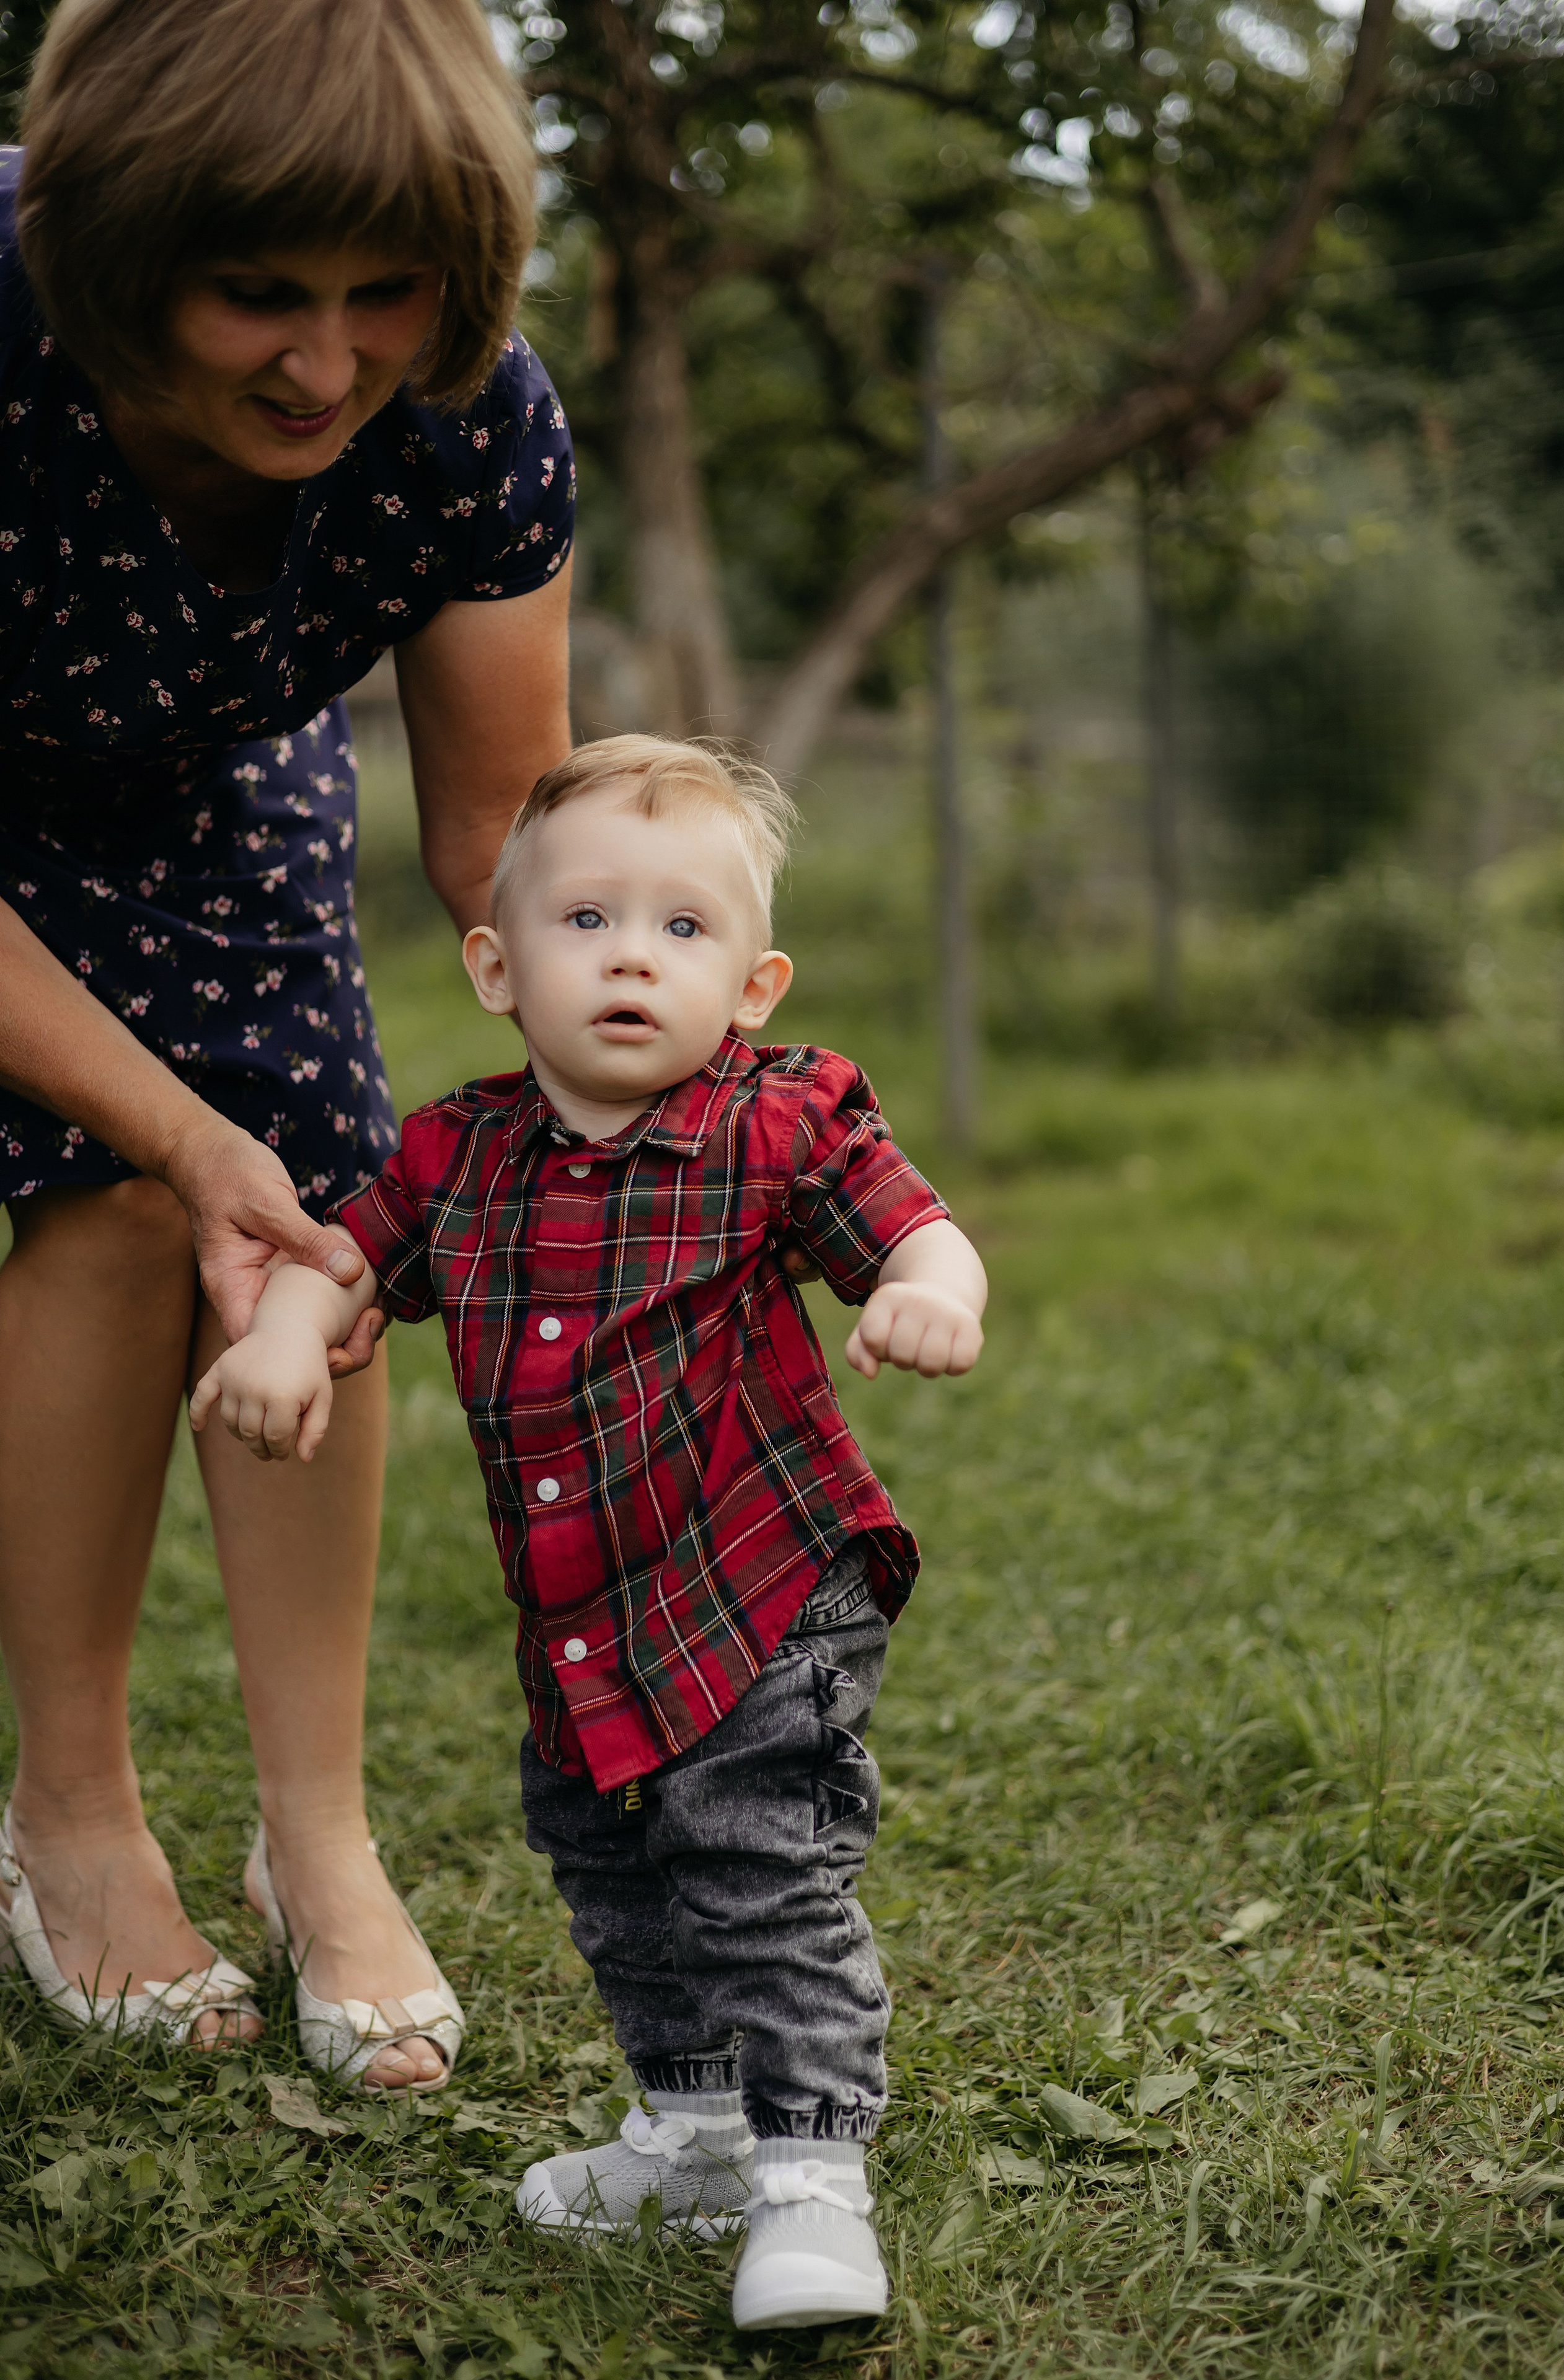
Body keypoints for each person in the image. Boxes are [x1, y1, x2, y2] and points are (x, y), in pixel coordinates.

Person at [190, 734, 989, 2329]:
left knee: (754, 1868)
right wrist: (285, 1336)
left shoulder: (780, 1124)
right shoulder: (458, 1155)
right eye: (587, 921)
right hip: (583, 1615)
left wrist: (925, 1291)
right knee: (610, 1865)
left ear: (751, 986)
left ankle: (811, 2180)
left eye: (683, 929)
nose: (633, 953)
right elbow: (342, 1261)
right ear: (496, 965)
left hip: (763, 1585)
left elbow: (914, 1221)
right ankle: (692, 2134)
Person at [0, 0, 573, 2090]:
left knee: (315, 1222)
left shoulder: (475, 422)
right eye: (258, 294)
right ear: (124, 248)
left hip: (213, 770)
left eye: (382, 296)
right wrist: (169, 1130)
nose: (328, 365)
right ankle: (69, 1810)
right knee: (115, 1200)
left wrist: (607, 1086)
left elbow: (508, 829)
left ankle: (315, 1837)